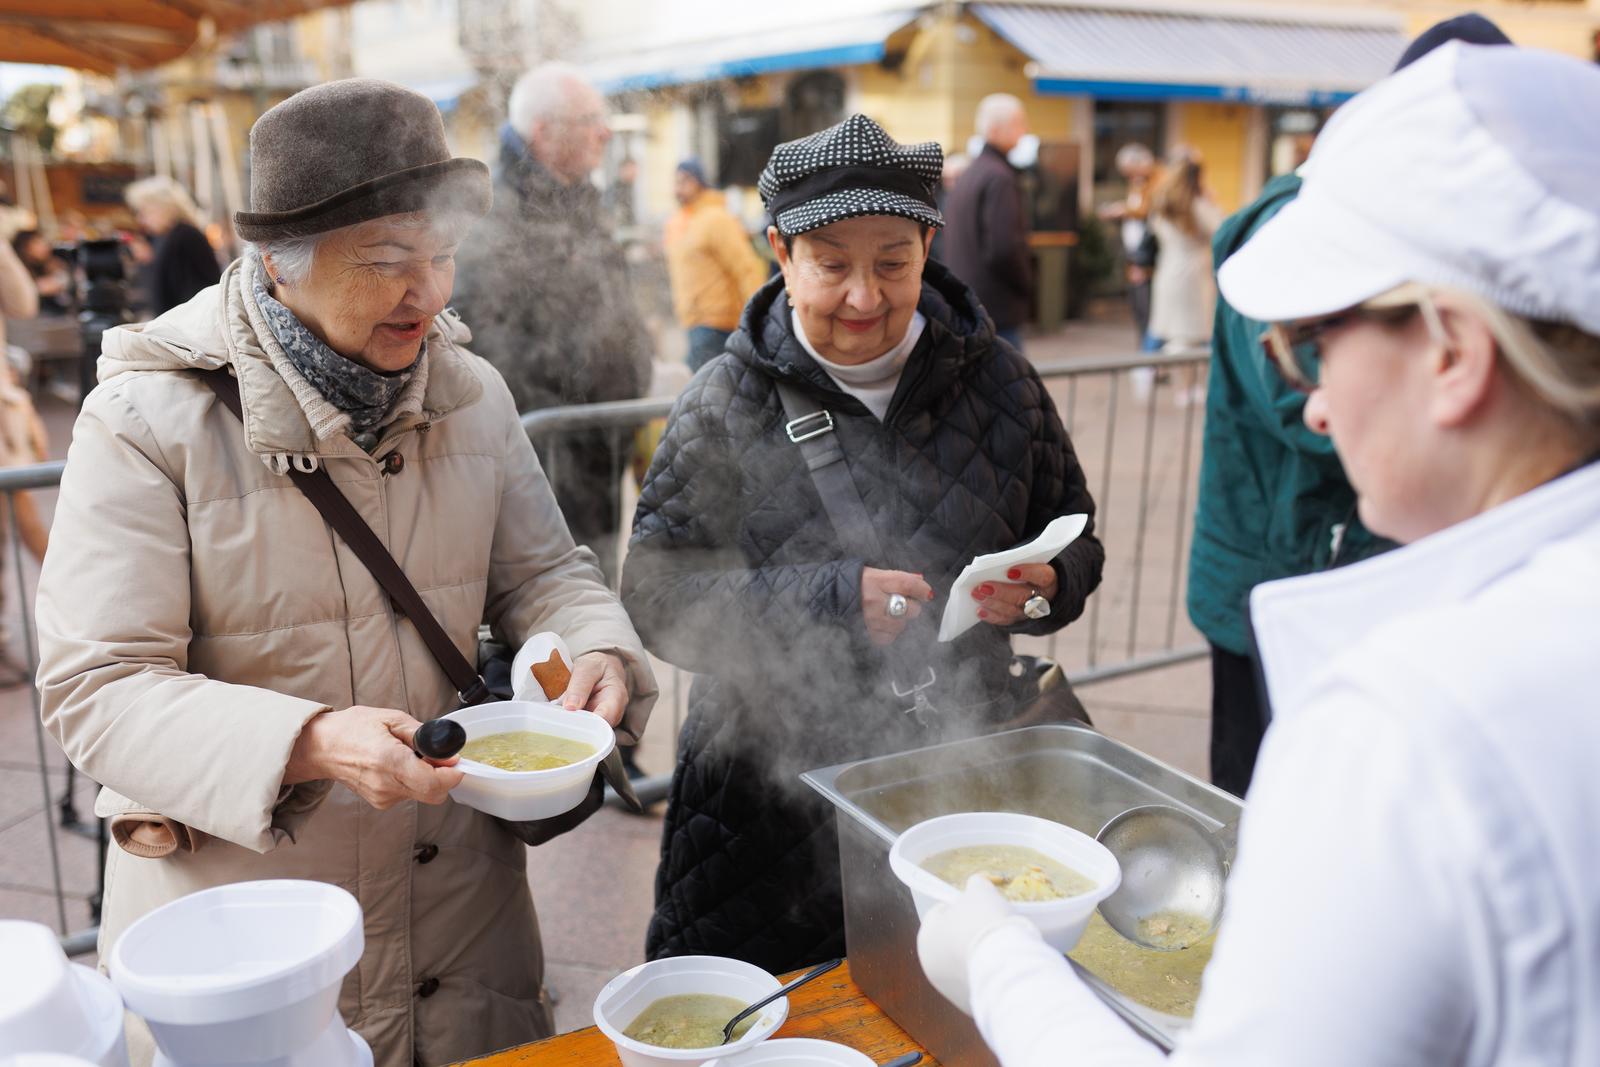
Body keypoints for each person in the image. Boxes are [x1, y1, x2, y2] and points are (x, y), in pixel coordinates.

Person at [918, 41, 1600, 1066]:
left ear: (1453, 351)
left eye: (1316, 345)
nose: (1315, 399)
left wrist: (1001, 965)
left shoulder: (1404, 728)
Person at [36, 79, 657, 1067]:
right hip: (253, 947)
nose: (430, 292)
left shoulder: (474, 393)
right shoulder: (146, 420)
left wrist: (596, 646)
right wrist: (311, 738)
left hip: (462, 926)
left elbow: (549, 573)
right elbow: (96, 687)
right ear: (278, 266)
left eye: (443, 256)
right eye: (387, 262)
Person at [624, 114, 1105, 976]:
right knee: (769, 1016)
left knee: (957, 1002)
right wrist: (829, 600)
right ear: (780, 251)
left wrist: (1046, 584)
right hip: (761, 802)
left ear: (929, 244)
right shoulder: (722, 401)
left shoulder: (1002, 382)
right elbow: (658, 595)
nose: (863, 296)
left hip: (958, 772)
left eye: (892, 262)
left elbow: (1073, 529)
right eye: (832, 264)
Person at [1189, 11, 1510, 797]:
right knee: (1261, 799)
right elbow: (1301, 403)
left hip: (1360, 571)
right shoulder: (1301, 223)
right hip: (1278, 579)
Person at [452, 62, 651, 588]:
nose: (604, 133)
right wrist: (561, 426)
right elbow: (490, 348)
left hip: (596, 450)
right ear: (544, 132)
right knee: (554, 604)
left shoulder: (579, 200)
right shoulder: (494, 217)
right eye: (590, 119)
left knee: (595, 600)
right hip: (546, 462)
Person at [944, 93, 1033, 353]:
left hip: (971, 302)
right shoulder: (999, 177)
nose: (1024, 131)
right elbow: (1004, 247)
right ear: (995, 130)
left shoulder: (973, 172)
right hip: (996, 308)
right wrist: (1026, 283)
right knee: (1010, 388)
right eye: (1018, 123)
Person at [664, 158, 767, 372]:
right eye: (676, 182)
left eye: (684, 181)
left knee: (710, 395)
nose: (678, 188)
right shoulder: (681, 222)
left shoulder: (716, 219)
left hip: (717, 324)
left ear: (699, 182)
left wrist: (757, 318)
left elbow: (746, 268)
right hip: (693, 321)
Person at [124, 176, 220, 315]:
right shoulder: (168, 236)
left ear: (164, 207)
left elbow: (193, 288)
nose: (141, 219)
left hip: (187, 323)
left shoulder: (185, 235)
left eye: (145, 212)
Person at [1097, 143, 1161, 351]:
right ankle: (1146, 355)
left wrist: (1123, 211)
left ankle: (1151, 358)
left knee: (1149, 311)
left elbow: (1147, 211)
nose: (1129, 176)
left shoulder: (1158, 180)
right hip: (1136, 255)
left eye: (1130, 171)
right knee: (1140, 310)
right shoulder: (1138, 183)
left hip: (1147, 258)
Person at [11, 229, 72, 314]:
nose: (45, 246)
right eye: (37, 243)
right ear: (24, 246)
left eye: (43, 242)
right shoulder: (17, 269)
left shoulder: (49, 264)